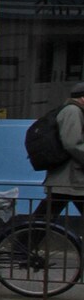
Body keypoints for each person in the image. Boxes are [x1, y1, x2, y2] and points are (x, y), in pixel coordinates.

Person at [38, 79, 84, 218]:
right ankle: (21, 239)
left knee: (43, 218)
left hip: (68, 179)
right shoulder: (72, 111)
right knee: (43, 219)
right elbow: (72, 143)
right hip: (70, 178)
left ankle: (22, 239)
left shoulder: (74, 110)